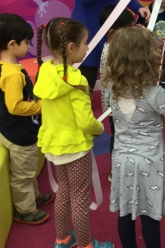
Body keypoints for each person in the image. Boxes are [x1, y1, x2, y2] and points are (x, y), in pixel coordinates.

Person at [34, 18, 112, 248]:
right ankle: (86, 244)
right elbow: (86, 121)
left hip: (54, 145)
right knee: (79, 199)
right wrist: (98, 129)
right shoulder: (76, 80)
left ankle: (62, 239)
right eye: (85, 43)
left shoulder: (45, 70)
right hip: (75, 148)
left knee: (64, 193)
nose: (88, 47)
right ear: (70, 48)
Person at [102, 27, 165, 248]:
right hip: (150, 161)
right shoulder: (156, 94)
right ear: (149, 58)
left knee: (125, 212)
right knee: (149, 215)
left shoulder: (111, 89)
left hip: (121, 160)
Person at [0, 13, 53, 226]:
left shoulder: (9, 67)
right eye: (26, 42)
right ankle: (25, 209)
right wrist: (41, 107)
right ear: (12, 44)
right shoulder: (12, 73)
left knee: (28, 168)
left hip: (11, 128)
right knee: (23, 174)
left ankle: (33, 197)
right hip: (19, 133)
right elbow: (15, 106)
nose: (29, 45)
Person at [99, 5, 135, 182]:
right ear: (113, 33)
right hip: (117, 106)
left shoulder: (113, 47)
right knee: (120, 137)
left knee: (123, 136)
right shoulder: (113, 52)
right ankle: (116, 170)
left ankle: (122, 168)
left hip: (117, 104)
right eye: (128, 30)